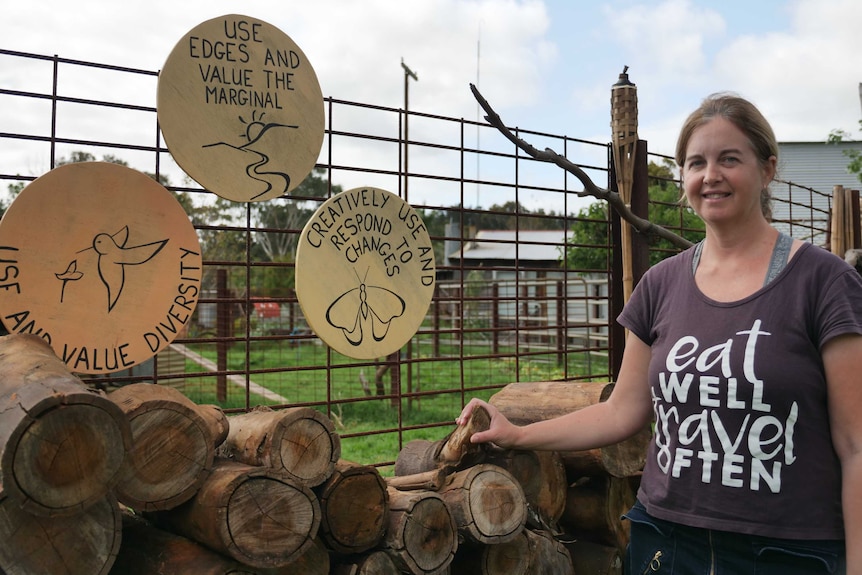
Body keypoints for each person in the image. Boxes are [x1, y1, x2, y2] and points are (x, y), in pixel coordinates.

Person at [456, 93, 862, 574]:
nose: (710, 175)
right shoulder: (660, 285)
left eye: (729, 159)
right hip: (667, 543)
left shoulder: (824, 282)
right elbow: (622, 411)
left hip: (785, 551)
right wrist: (519, 433)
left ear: (767, 169)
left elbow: (855, 443)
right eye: (696, 163)